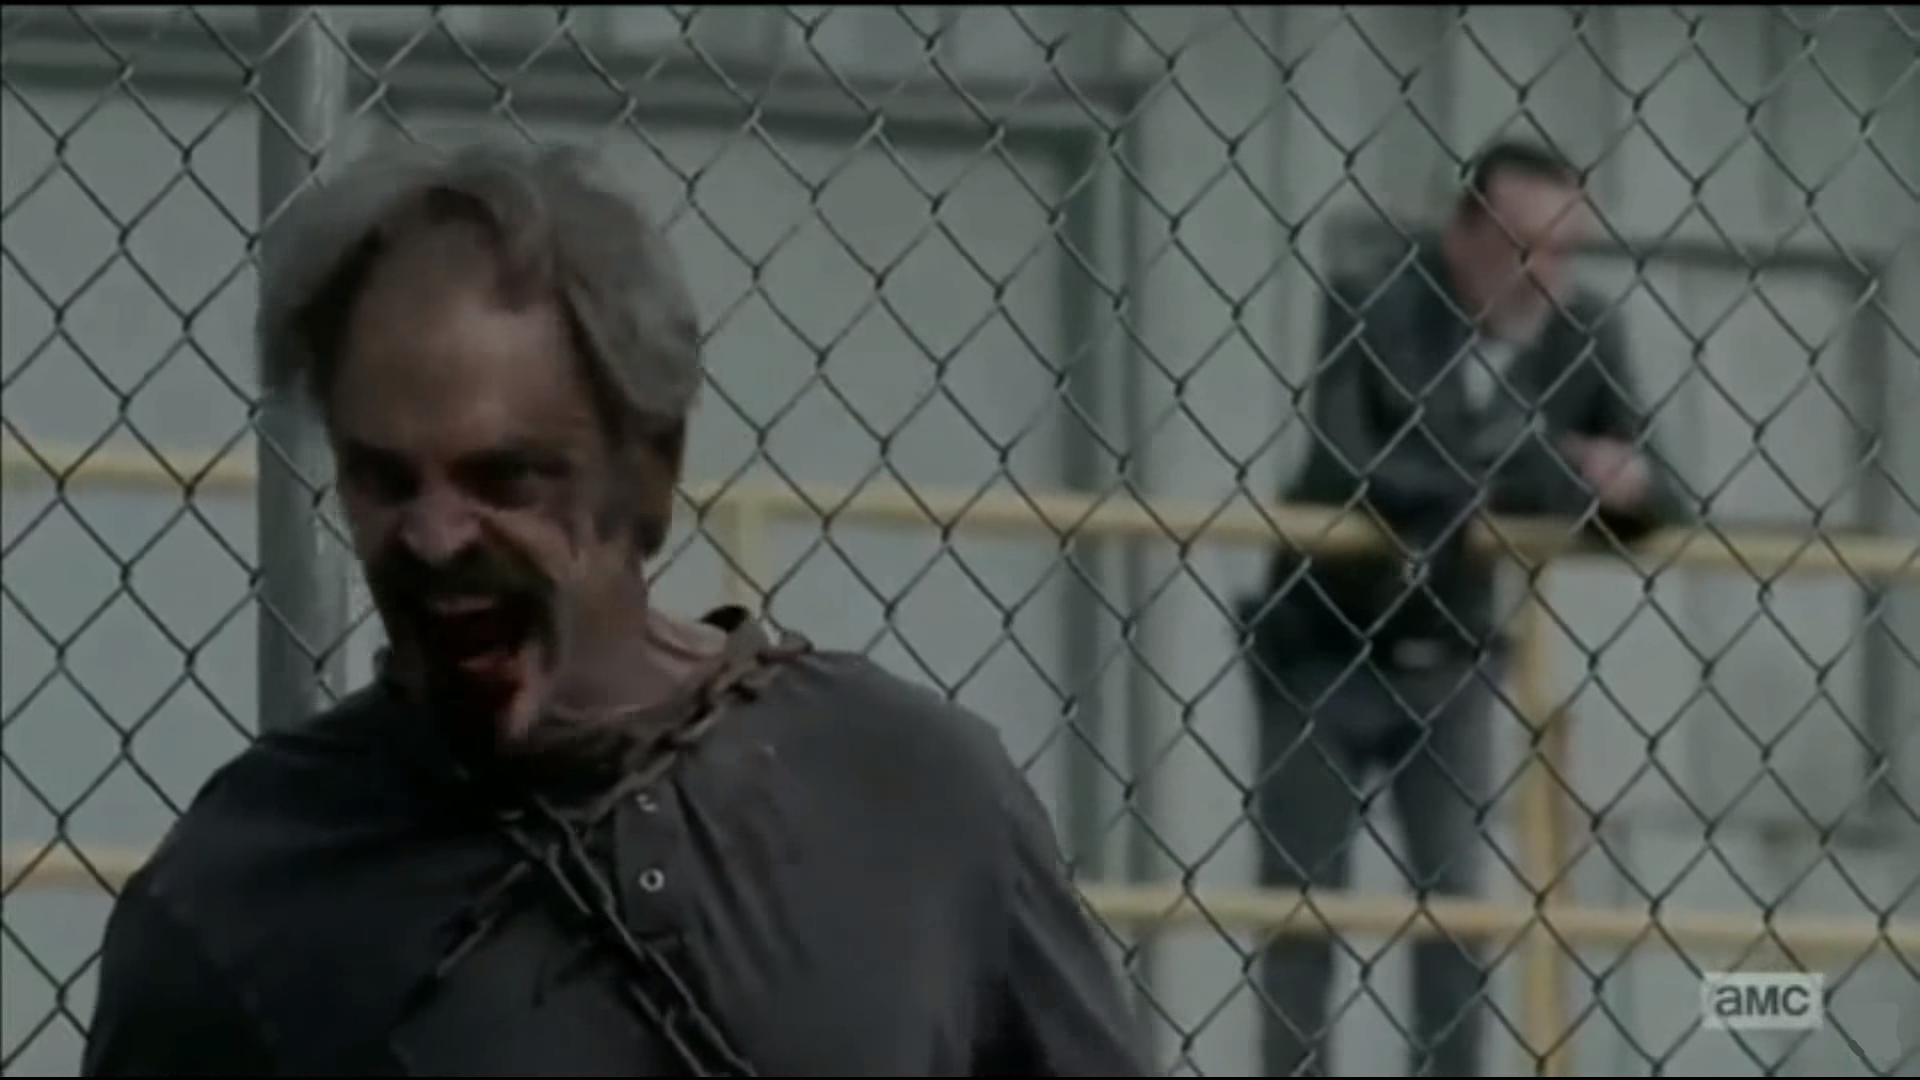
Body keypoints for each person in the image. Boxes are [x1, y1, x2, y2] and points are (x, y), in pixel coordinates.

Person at [82, 139, 1149, 1077]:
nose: (435, 537)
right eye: (384, 480)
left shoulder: (917, 800)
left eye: (505, 476)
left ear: (650, 470)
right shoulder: (249, 892)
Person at [1238, 140, 1689, 1077]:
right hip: (1320, 647)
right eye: (1525, 246)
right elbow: (1349, 465)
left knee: (1458, 915)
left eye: (1565, 249)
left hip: (1451, 656)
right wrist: (1545, 470)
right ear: (1463, 232)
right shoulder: (1376, 297)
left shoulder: (1582, 330)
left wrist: (1615, 484)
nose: (1545, 273)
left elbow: (1657, 495)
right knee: (1300, 918)